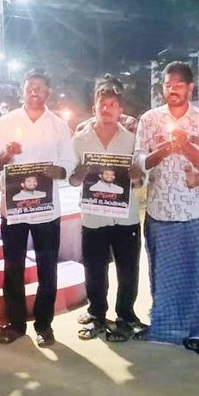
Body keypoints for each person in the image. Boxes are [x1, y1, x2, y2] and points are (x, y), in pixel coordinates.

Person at [0, 69, 77, 347]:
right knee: (13, 266)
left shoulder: (58, 125)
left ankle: (44, 324)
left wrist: (58, 170)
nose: (34, 91)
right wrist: (7, 154)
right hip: (14, 208)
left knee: (47, 267)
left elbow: (69, 162)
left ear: (48, 92)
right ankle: (15, 323)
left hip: (46, 208)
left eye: (39, 87)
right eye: (29, 87)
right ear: (22, 91)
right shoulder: (6, 122)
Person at [134, 62, 199, 346]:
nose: (173, 90)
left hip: (194, 211)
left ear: (190, 88)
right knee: (163, 274)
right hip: (160, 209)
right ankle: (166, 330)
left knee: (196, 272)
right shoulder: (150, 119)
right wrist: (160, 152)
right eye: (168, 85)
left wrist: (184, 146)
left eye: (179, 85)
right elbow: (139, 160)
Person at [70, 80, 145, 342]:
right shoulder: (80, 140)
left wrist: (136, 176)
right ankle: (97, 313)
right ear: (94, 108)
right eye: (103, 104)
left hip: (125, 216)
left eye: (113, 104)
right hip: (93, 216)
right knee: (94, 268)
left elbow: (140, 181)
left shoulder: (132, 140)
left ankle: (125, 314)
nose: (107, 109)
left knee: (128, 269)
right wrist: (78, 174)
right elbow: (72, 179)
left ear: (120, 110)